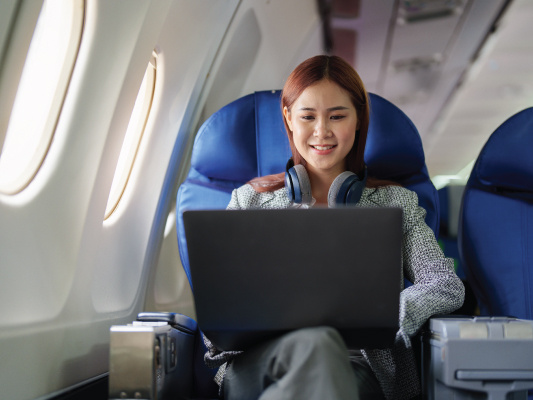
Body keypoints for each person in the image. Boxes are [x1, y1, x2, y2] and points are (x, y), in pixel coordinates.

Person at [202, 55, 465, 400]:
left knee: (321, 347)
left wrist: (386, 317)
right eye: (307, 116)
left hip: (356, 367)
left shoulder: (395, 202)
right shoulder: (247, 201)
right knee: (313, 345)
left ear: (358, 120)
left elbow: (445, 284)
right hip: (260, 364)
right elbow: (218, 314)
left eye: (337, 116)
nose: (321, 131)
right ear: (289, 119)